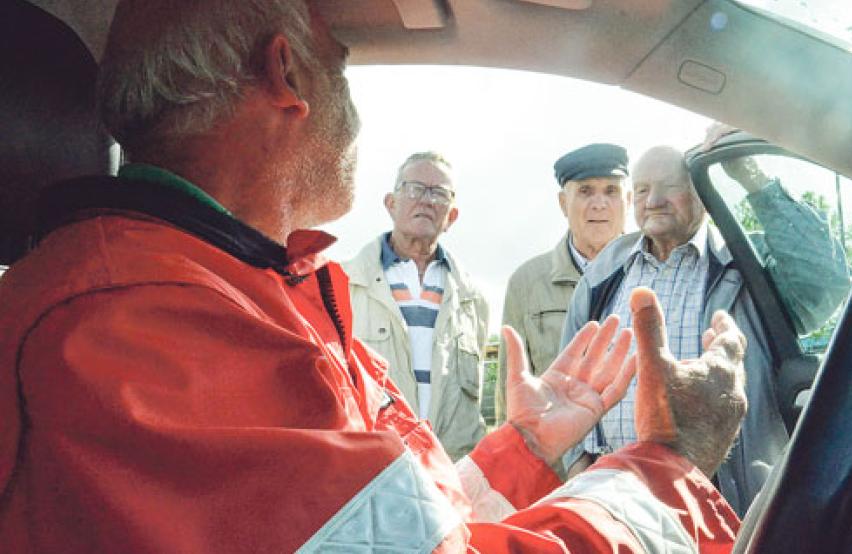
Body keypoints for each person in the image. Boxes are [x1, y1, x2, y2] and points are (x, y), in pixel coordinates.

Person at [1, 1, 746, 551]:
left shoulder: (232, 289)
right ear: (286, 70)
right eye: (343, 64)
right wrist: (672, 468)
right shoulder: (136, 325)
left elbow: (380, 527)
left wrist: (519, 449)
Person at [561, 139, 852, 515]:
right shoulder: (604, 274)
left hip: (720, 497)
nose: (654, 200)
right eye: (644, 190)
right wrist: (577, 468)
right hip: (617, 496)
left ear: (702, 192)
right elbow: (571, 378)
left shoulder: (746, 261)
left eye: (672, 187)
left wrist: (752, 178)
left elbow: (825, 283)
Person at [344, 151, 489, 461]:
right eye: (415, 188)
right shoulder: (343, 285)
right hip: (373, 472)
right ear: (391, 204)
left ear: (451, 216)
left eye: (439, 193)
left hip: (452, 476)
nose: (426, 200)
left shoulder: (473, 299)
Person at [495, 143, 630, 428]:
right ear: (562, 203)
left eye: (611, 191)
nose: (599, 204)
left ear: (628, 200)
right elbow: (511, 394)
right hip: (558, 464)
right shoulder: (527, 283)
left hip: (635, 462)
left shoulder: (656, 271)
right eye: (585, 191)